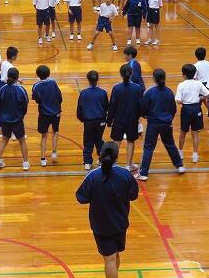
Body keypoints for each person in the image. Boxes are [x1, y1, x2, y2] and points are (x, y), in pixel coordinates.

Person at [76, 142, 138, 278]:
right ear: (117, 156)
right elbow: (133, 195)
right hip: (120, 223)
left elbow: (81, 198)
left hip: (101, 225)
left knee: (109, 259)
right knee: (115, 255)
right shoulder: (125, 174)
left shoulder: (93, 176)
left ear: (101, 155)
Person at [134, 69, 185, 181]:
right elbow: (173, 109)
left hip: (153, 124)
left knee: (148, 147)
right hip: (167, 123)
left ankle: (143, 173)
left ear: (154, 78)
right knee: (170, 144)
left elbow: (143, 108)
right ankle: (179, 166)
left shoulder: (150, 92)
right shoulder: (169, 92)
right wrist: (169, 119)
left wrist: (145, 116)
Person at [0, 67, 30, 170]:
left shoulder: (2, 89)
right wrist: (21, 115)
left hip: (5, 120)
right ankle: (25, 162)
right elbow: (25, 104)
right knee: (22, 141)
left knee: (4, 140)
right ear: (17, 77)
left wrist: (2, 115)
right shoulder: (20, 90)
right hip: (17, 120)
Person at [108, 64, 143, 171]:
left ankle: (113, 164)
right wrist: (138, 118)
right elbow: (140, 105)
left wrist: (109, 120)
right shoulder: (137, 88)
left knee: (116, 142)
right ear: (131, 74)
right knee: (131, 141)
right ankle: (129, 165)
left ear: (120, 74)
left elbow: (112, 106)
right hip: (132, 120)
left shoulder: (116, 88)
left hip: (118, 120)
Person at [176, 64, 209, 164]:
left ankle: (180, 153)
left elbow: (178, 101)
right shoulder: (198, 83)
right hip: (196, 109)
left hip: (186, 109)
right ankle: (195, 156)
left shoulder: (181, 85)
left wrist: (185, 100)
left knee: (183, 132)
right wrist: (199, 98)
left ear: (184, 75)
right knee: (195, 133)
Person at [77, 70, 109, 170]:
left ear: (88, 80)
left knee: (88, 141)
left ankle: (87, 162)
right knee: (98, 139)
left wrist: (82, 119)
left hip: (89, 122)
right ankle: (102, 160)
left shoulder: (84, 93)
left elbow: (79, 108)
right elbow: (107, 107)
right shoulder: (103, 92)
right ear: (97, 79)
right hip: (101, 121)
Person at [32, 65, 63, 166]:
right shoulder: (53, 82)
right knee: (55, 131)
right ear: (48, 73)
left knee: (44, 136)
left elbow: (36, 99)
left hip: (44, 114)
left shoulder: (36, 86)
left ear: (38, 75)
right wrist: (58, 109)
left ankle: (43, 159)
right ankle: (54, 152)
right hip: (56, 113)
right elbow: (59, 97)